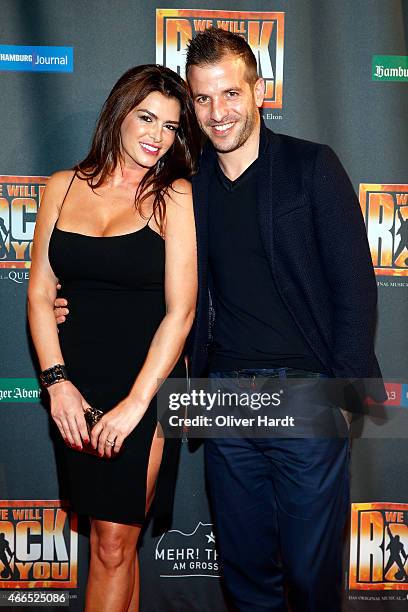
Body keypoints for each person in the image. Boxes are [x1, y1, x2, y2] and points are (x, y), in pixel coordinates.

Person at [54, 29, 385, 612]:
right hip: (222, 400)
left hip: (306, 393)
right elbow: (145, 275)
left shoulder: (311, 166)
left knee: (312, 579)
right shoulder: (187, 187)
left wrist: (343, 394)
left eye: (231, 94)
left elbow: (356, 289)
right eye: (202, 100)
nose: (218, 112)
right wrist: (69, 298)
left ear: (260, 90)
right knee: (246, 578)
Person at [28, 64, 200, 612]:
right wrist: (57, 384)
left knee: (111, 542)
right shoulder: (61, 186)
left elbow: (182, 310)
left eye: (171, 127)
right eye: (147, 117)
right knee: (111, 544)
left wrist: (135, 404)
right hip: (74, 387)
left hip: (145, 385)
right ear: (119, 113)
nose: (157, 135)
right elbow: (37, 295)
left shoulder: (173, 195)